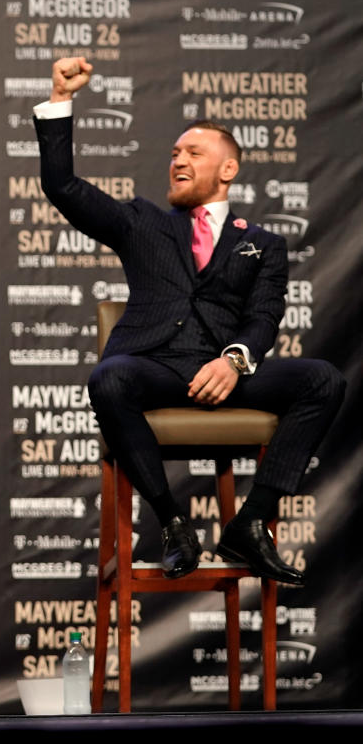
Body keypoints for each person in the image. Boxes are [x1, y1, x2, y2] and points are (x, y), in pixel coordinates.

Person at [35, 56, 345, 586]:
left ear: (228, 169)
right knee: (109, 378)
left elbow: (265, 315)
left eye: (193, 153)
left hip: (226, 375)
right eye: (174, 153)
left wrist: (235, 359)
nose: (177, 160)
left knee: (323, 379)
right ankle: (173, 522)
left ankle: (250, 523)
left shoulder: (263, 243)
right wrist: (61, 98)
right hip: (156, 368)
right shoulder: (141, 222)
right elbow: (63, 186)